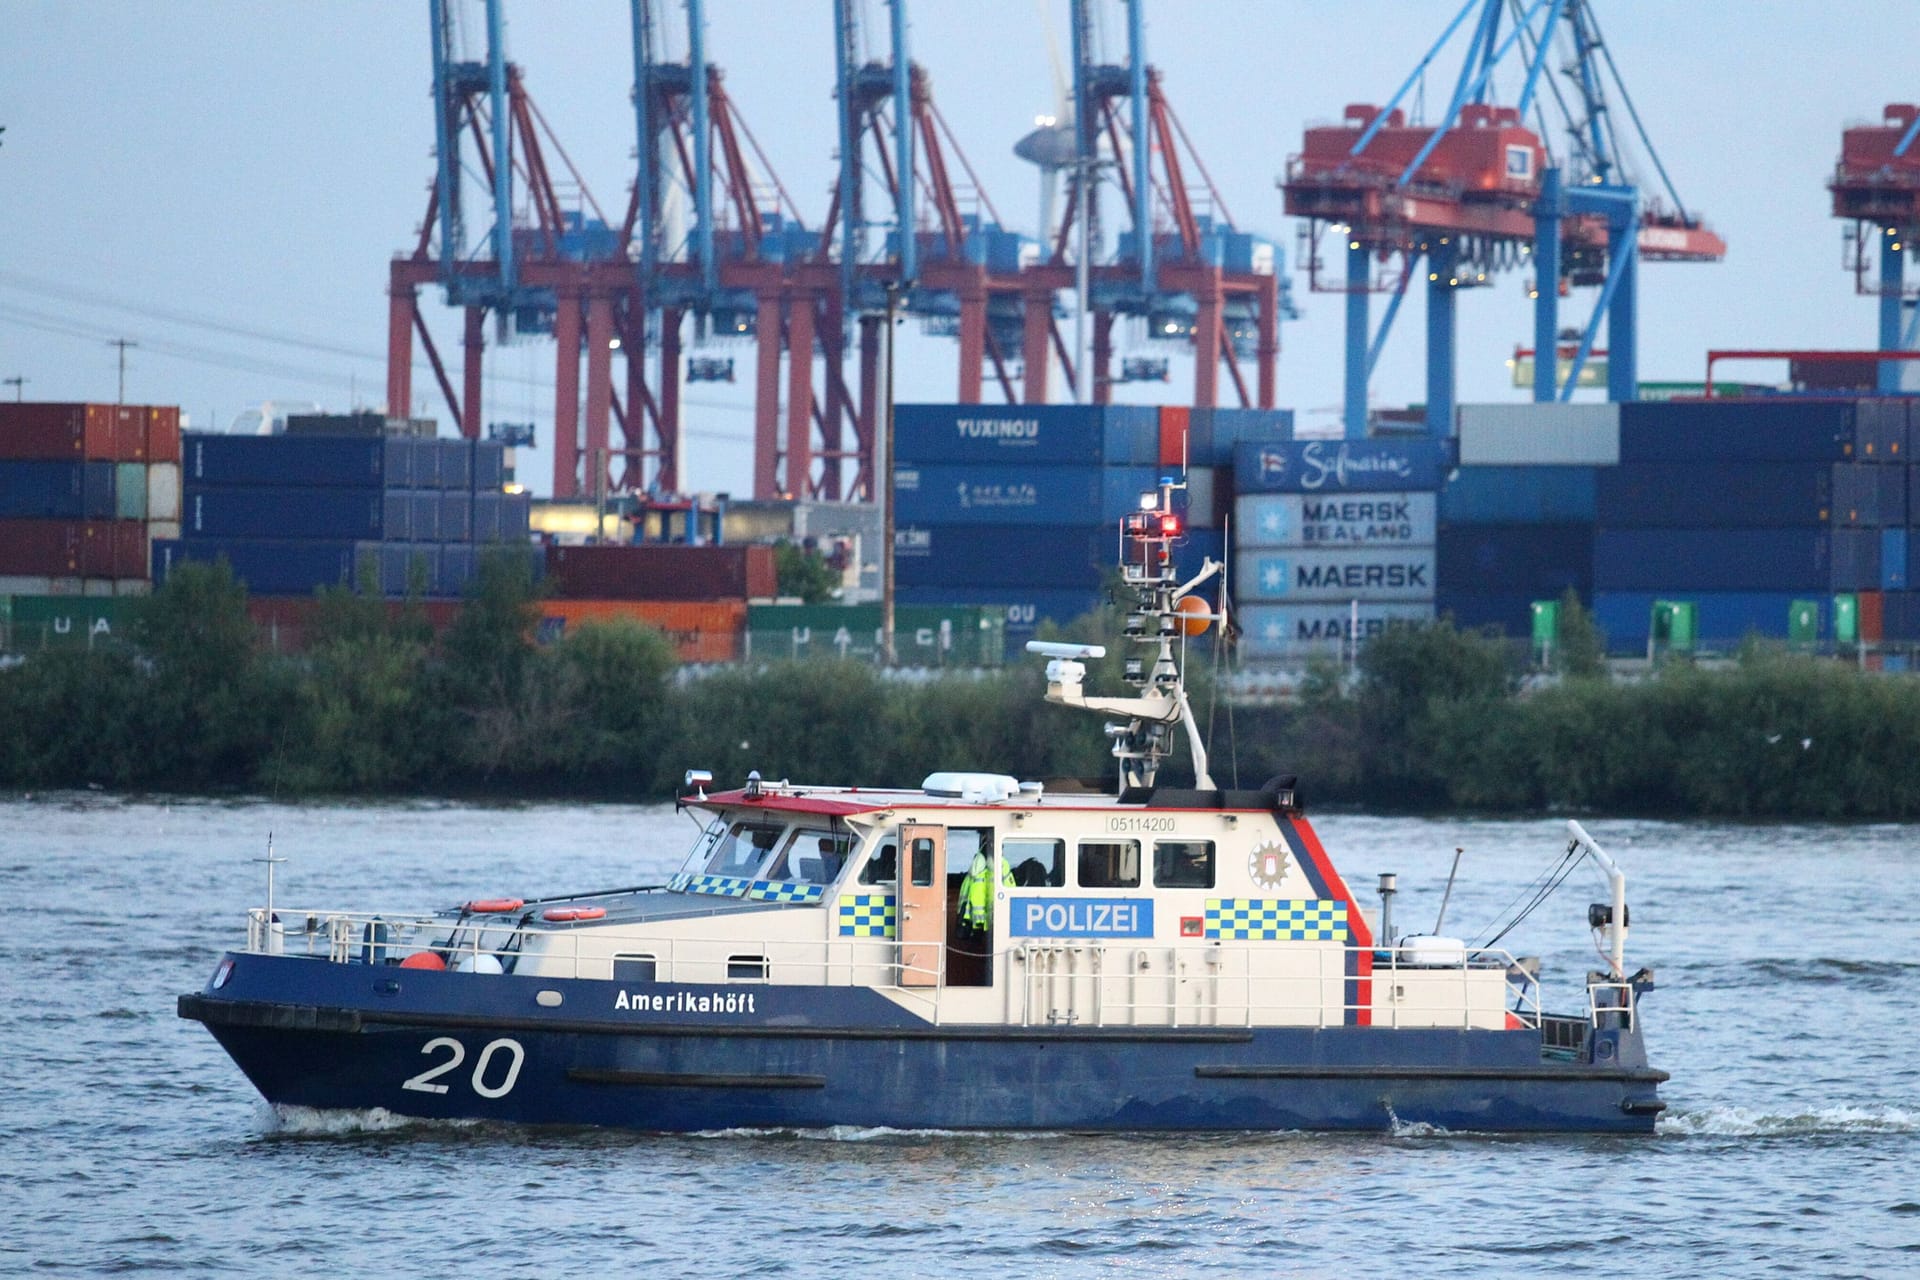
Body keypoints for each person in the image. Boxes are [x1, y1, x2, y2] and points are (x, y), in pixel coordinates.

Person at [957, 850, 1013, 932]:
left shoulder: (974, 874)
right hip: (994, 918)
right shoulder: (1001, 869)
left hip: (975, 919)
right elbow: (1011, 891)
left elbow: (966, 897)